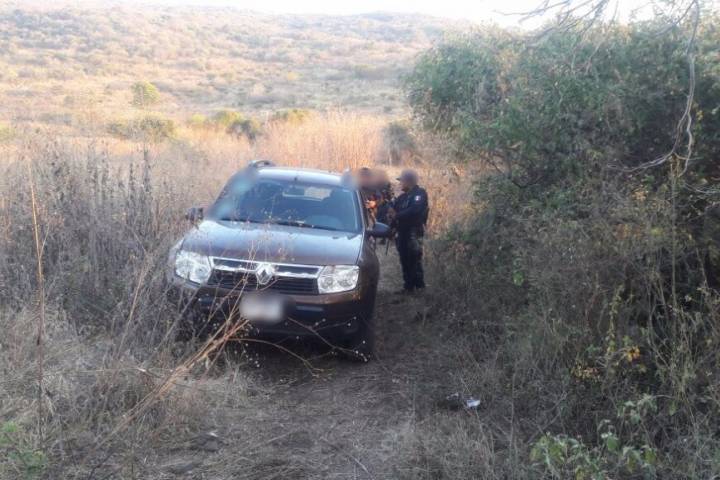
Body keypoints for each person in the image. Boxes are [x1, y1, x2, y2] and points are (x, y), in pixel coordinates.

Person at [389, 169, 428, 294]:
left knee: (414, 259)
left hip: (414, 232)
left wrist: (397, 215)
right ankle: (408, 287)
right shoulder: (402, 197)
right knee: (404, 259)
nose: (400, 183)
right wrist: (391, 226)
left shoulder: (419, 194)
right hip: (402, 232)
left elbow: (415, 210)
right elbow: (393, 212)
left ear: (409, 181)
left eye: (402, 181)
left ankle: (419, 287)